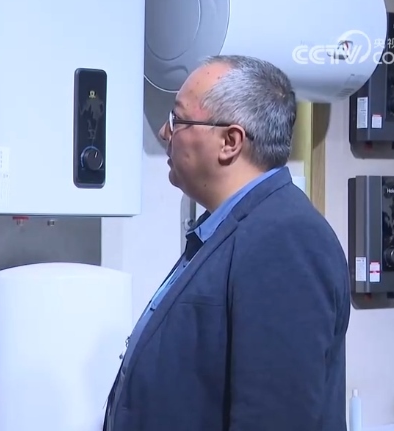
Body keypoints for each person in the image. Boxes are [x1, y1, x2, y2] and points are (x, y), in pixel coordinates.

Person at [104, 55, 351, 431]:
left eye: (178, 120)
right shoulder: (228, 230)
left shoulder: (285, 241)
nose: (165, 132)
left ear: (230, 142)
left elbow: (274, 418)